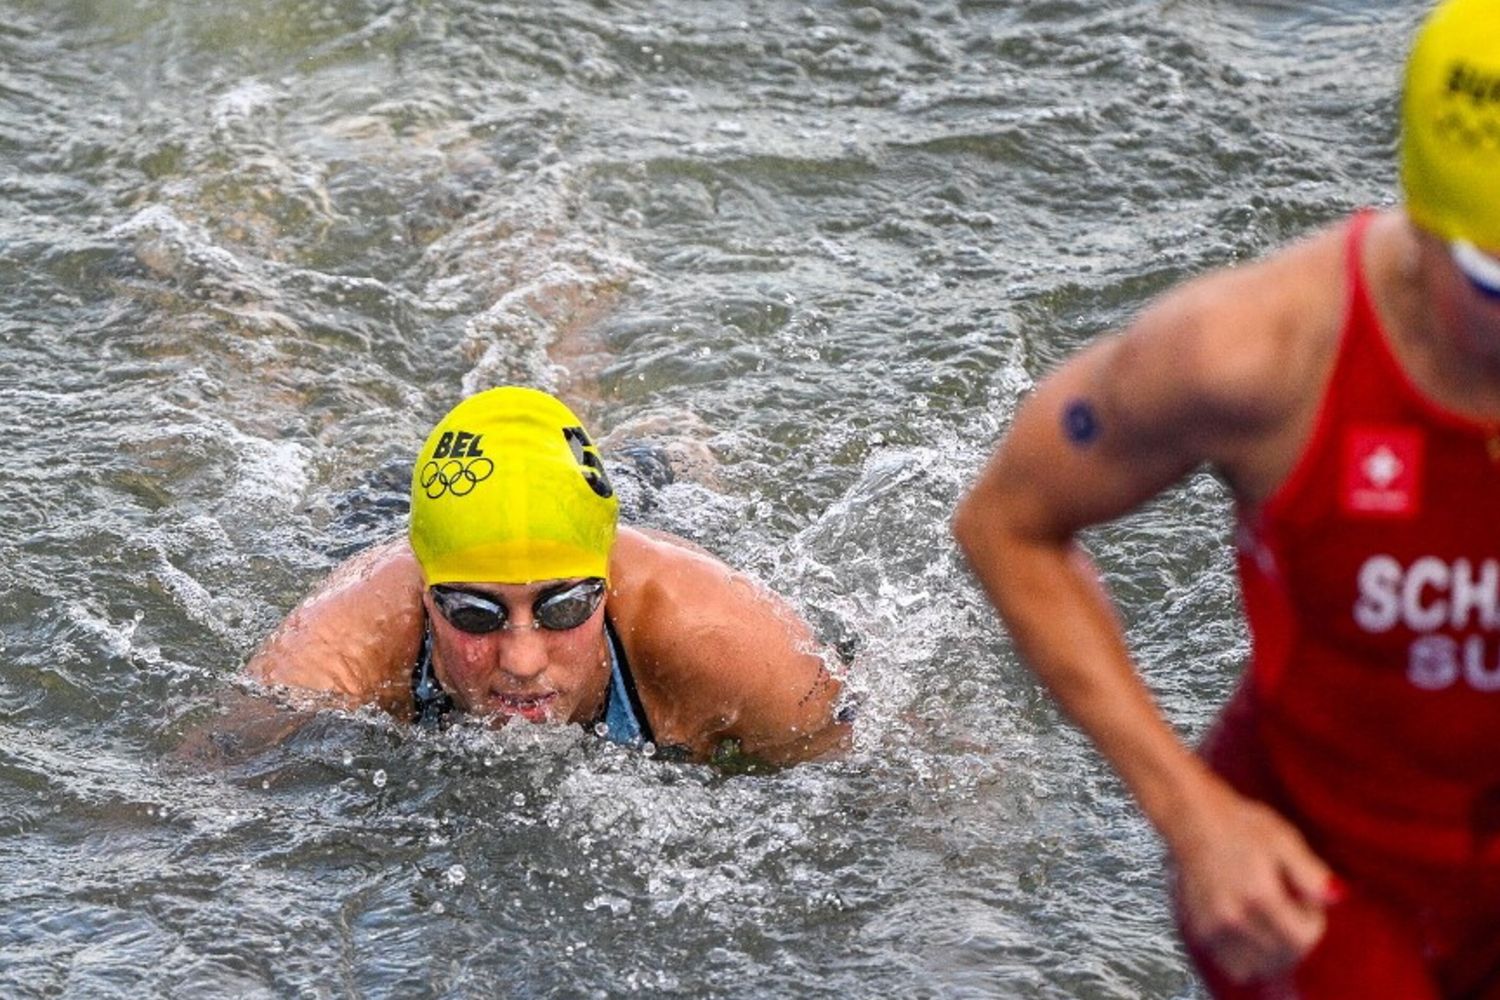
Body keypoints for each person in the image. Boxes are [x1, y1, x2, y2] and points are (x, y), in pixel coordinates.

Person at [952, 1, 1500, 996]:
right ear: (1423, 220)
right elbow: (1007, 524)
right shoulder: (1254, 355)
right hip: (1323, 877)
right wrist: (1192, 813)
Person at [243, 385, 849, 765]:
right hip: (376, 515)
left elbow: (869, 777)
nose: (523, 660)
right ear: (426, 599)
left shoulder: (723, 636)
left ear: (607, 585)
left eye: (562, 607)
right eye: (474, 614)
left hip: (625, 509)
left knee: (679, 453)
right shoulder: (336, 651)